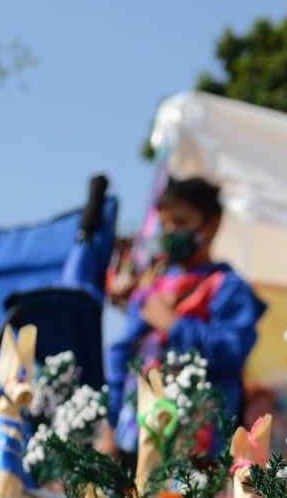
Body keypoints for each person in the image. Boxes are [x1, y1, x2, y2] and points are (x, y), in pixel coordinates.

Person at [104, 177, 266, 454]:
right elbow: (122, 353)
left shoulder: (227, 287)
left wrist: (174, 325)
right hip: (136, 436)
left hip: (197, 443)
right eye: (165, 224)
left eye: (180, 222)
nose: (170, 232)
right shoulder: (152, 286)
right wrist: (110, 423)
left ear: (212, 225)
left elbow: (231, 351)